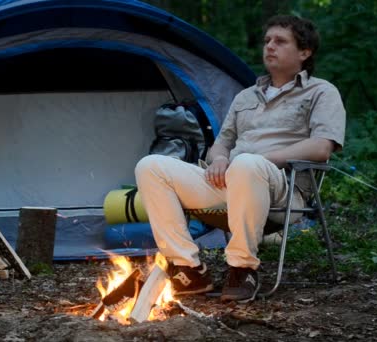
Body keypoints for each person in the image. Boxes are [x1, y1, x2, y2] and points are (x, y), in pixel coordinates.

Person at [135, 15, 346, 303]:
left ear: (304, 52)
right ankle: (188, 267)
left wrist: (261, 158)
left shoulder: (321, 92)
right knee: (151, 167)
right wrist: (220, 159)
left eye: (280, 41)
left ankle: (242, 268)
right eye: (267, 40)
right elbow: (220, 145)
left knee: (248, 163)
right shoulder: (246, 97)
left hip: (282, 191)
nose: (270, 46)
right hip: (229, 181)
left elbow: (322, 147)